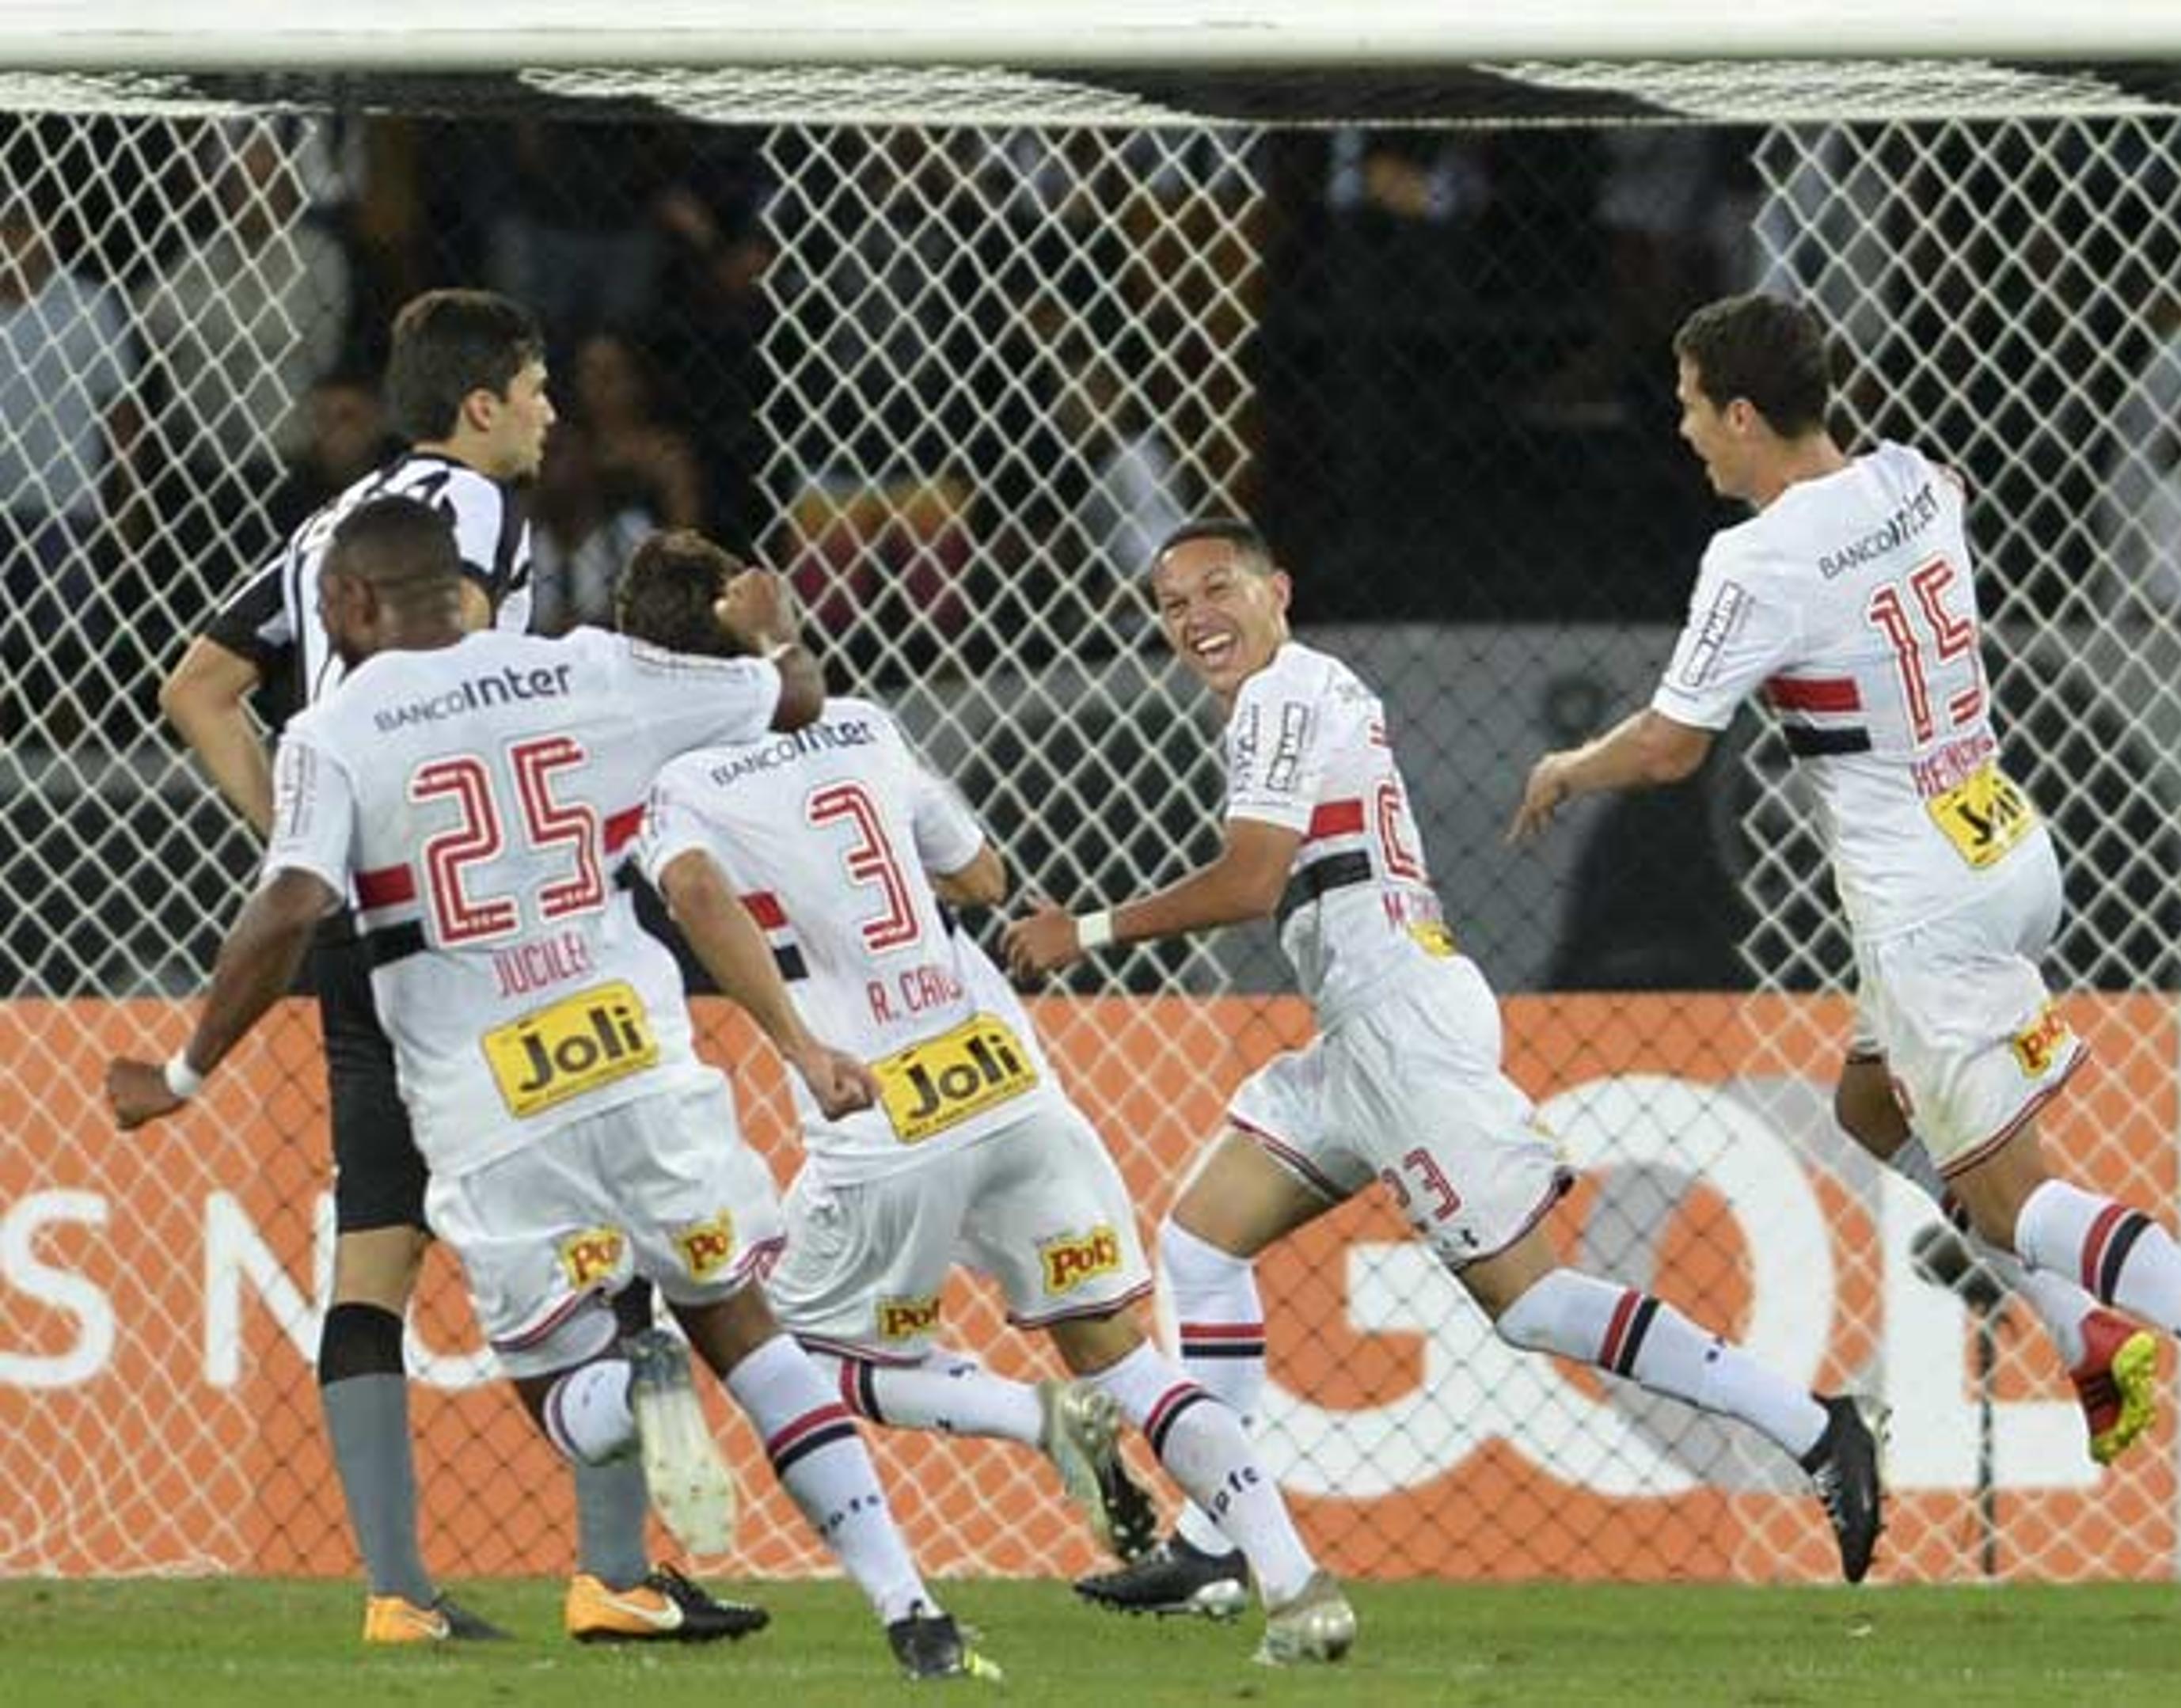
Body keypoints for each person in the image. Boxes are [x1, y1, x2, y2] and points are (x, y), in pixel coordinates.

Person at [109, 501, 994, 1681]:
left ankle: (633, 1406)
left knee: (558, 1369)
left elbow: (291, 905)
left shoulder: (332, 730)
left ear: (355, 604)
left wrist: (182, 1070)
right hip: (637, 1053)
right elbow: (791, 702)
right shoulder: (587, 670)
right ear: (463, 592)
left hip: (490, 1097)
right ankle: (911, 1607)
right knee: (744, 1323)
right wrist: (777, 632)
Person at [1507, 293, 2181, 1490]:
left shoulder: (1754, 559)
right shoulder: (1912, 478)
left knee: (2018, 1200)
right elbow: (1952, 489)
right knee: (1872, 1104)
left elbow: (1671, 746)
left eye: (1694, 407)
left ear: (1746, 415)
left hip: (1921, 894)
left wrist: (1568, 763)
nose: (1686, 430)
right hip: (2005, 840)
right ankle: (2088, 1331)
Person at [1009, 516, 1889, 1610]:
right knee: (1200, 1240)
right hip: (1359, 1029)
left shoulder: (1285, 694)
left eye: (1216, 588)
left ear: (1277, 588)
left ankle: (1815, 1426)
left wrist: (1081, 933)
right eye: (1170, 603)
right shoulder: (1296, 697)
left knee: (1527, 1302)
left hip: (1400, 1026)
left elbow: (1248, 880)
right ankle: (1219, 1536)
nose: (1195, 617)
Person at [615, 533, 1356, 1667]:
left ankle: (1032, 1422)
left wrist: (800, 1039)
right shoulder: (862, 722)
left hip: (878, 1111)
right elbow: (984, 877)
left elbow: (700, 891)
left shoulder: (673, 782)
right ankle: (1299, 1584)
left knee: (787, 1356)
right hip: (1008, 1077)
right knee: (1123, 1351)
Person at [154, 288, 758, 1647]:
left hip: (363, 938)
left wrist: (328, 842)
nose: (555, 413)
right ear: (481, 404)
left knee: (374, 1254)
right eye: (539, 388)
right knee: (609, 1222)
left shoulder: (335, 522)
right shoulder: (468, 513)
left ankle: (394, 1594)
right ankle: (614, 1572)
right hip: (484, 938)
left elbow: (194, 685)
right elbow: (466, 702)